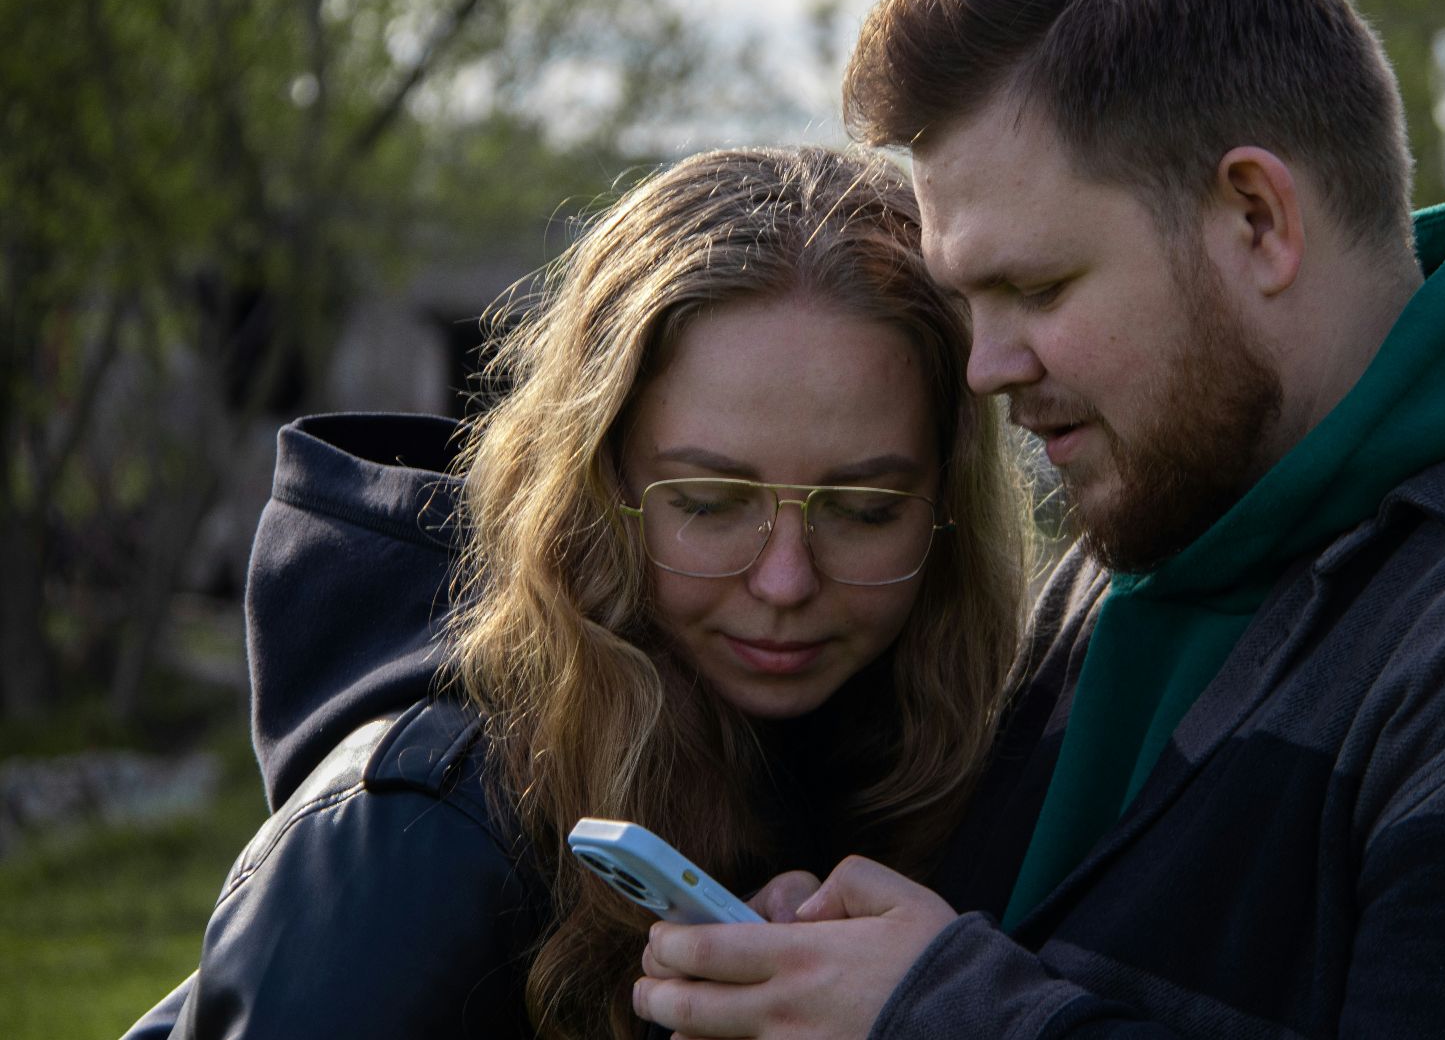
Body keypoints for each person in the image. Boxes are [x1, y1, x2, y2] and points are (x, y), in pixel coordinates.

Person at [630, 0, 1445, 1037]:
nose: (985, 370)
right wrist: (845, 961)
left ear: (1257, 217)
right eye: (970, 303)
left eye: (1041, 289)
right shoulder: (1160, 532)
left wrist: (935, 1014)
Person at [122, 145, 1029, 1039]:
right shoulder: (421, 830)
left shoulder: (939, 753)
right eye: (709, 505)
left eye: (864, 511)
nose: (787, 581)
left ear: (949, 507)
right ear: (595, 493)